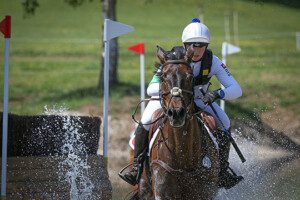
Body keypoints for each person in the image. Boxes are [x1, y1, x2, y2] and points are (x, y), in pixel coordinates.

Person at [120, 18, 243, 189]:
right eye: (193, 44)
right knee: (145, 122)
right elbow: (151, 89)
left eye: (201, 45)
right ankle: (137, 168)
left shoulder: (212, 61)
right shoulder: (171, 59)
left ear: (206, 46)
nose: (197, 49)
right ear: (185, 44)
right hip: (169, 100)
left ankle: (222, 171)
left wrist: (216, 93)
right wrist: (172, 93)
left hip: (199, 99)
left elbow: (236, 89)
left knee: (225, 122)